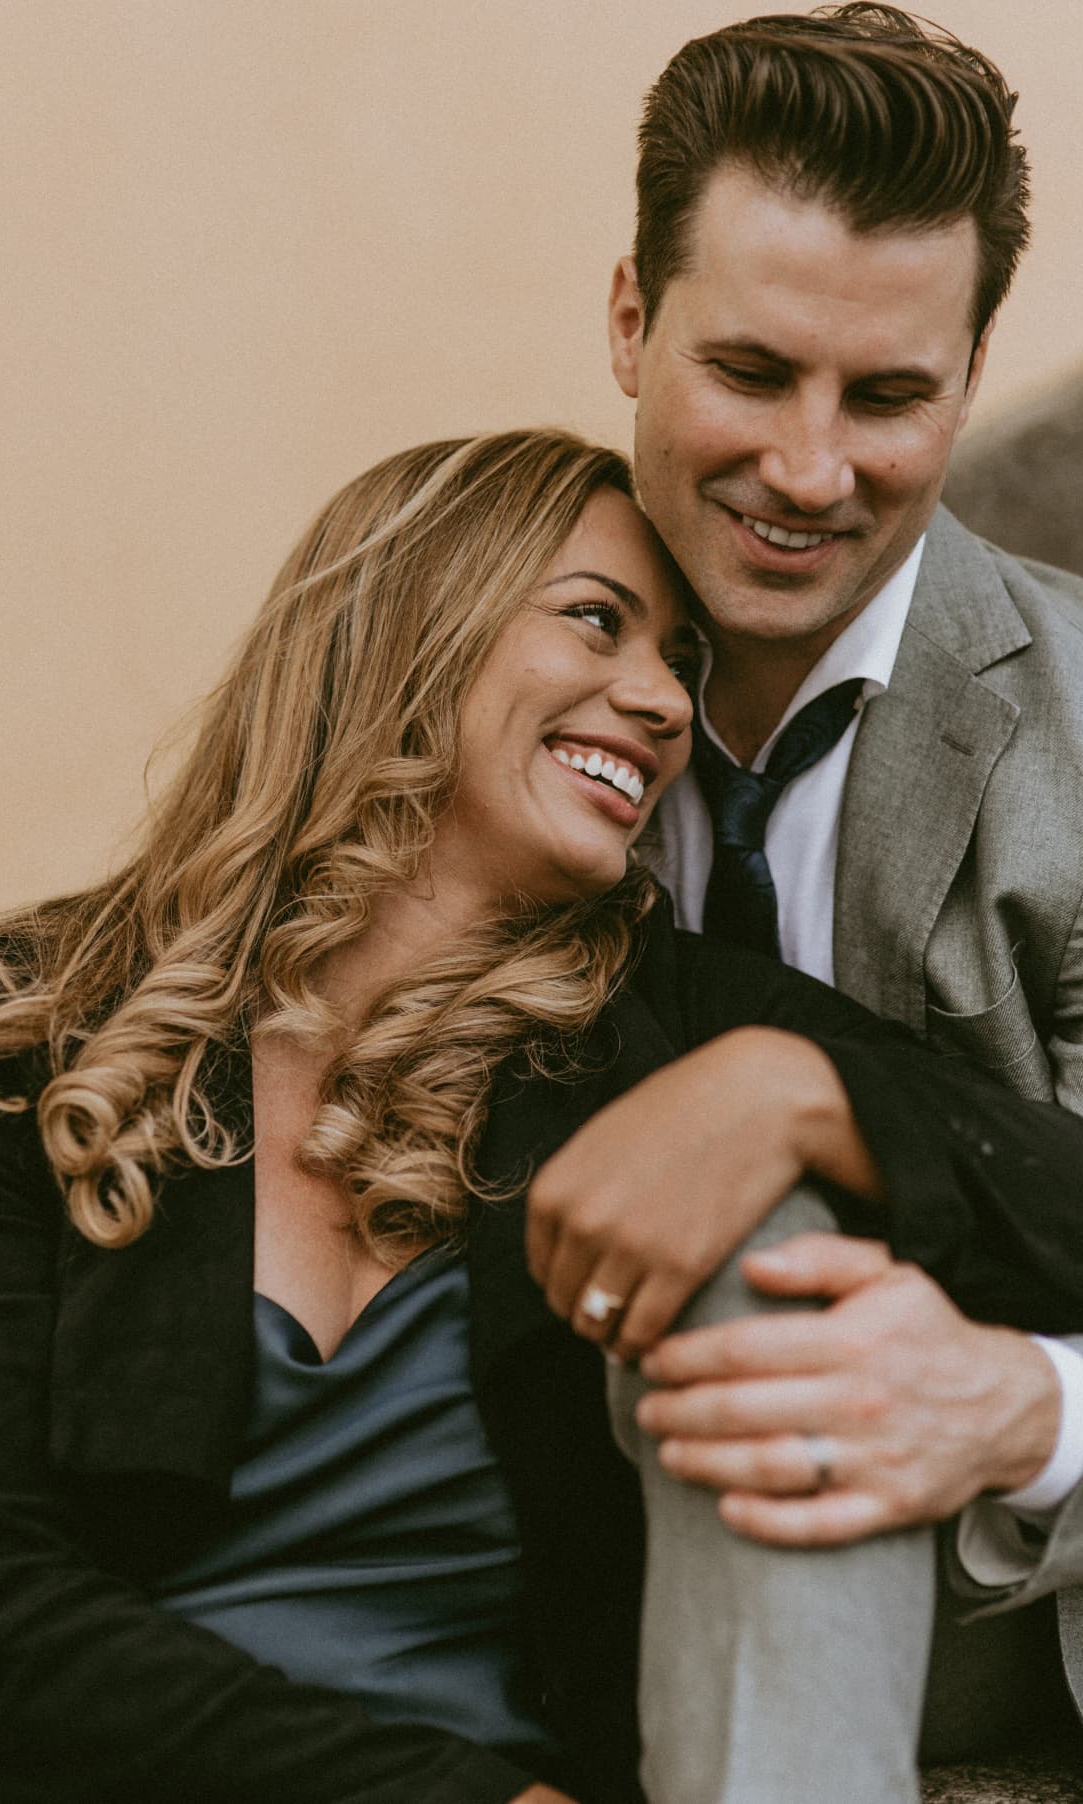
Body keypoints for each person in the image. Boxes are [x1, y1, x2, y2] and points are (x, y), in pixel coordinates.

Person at [0, 428, 1083, 1803]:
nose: (659, 704)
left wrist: (807, 1093)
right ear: (409, 625)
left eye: (681, 667)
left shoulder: (674, 1020)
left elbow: (1055, 1195)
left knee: (780, 1234)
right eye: (596, 623)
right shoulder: (10, 1021)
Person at [524, 6, 1083, 1799]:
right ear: (629, 318)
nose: (813, 471)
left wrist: (1028, 1407)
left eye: (892, 394)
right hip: (550, 1595)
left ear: (973, 373)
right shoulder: (485, 672)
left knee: (783, 1302)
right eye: (753, 374)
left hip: (1016, 1618)